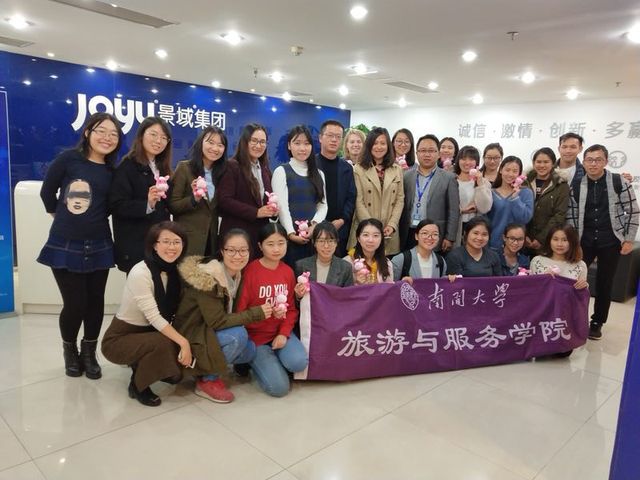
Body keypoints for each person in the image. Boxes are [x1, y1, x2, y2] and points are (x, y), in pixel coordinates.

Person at [38, 112, 123, 379]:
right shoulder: (69, 159)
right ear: (87, 132)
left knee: (96, 303)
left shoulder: (112, 171)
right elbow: (47, 191)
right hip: (65, 242)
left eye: (113, 134)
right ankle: (70, 351)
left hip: (100, 242)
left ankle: (89, 353)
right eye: (101, 131)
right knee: (75, 304)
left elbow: (111, 205)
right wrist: (60, 214)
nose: (107, 138)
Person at [175, 228, 272, 403]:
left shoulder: (238, 274)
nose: (238, 256)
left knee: (250, 350)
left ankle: (203, 370)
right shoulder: (209, 278)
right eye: (231, 250)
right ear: (222, 251)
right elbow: (217, 321)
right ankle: (207, 380)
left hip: (208, 332)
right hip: (193, 335)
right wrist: (256, 313)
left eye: (243, 250)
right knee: (238, 336)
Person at [101, 222, 193, 406]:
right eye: (166, 241)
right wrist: (183, 342)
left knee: (176, 374)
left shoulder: (176, 271)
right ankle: (138, 386)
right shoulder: (140, 272)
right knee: (166, 341)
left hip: (149, 333)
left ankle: (148, 365)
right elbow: (154, 317)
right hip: (119, 339)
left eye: (177, 242)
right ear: (154, 245)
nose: (172, 247)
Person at [566, 144, 640, 340]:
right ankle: (573, 317)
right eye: (589, 160)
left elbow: (632, 210)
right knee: (575, 280)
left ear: (606, 161)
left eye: (598, 160)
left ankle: (597, 322)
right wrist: (573, 241)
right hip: (584, 240)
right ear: (584, 162)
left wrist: (628, 239)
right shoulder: (576, 184)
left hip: (610, 240)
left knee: (605, 283)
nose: (593, 164)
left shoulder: (618, 181)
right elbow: (571, 215)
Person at [236, 223, 308, 397]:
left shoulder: (288, 272)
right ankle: (254, 361)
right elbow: (240, 312)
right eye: (270, 244)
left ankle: (276, 359)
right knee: (279, 389)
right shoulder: (250, 271)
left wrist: (283, 334)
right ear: (260, 246)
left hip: (280, 332)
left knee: (299, 363)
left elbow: (291, 310)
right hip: (256, 339)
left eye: (281, 243)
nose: (276, 249)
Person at [109, 116, 172, 273]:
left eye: (164, 137)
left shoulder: (162, 168)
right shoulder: (127, 166)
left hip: (159, 242)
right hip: (136, 244)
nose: (158, 141)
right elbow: (117, 205)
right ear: (141, 135)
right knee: (139, 286)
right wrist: (148, 204)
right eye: (153, 134)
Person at [217, 123, 277, 258]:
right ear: (245, 142)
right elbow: (224, 201)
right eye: (254, 141)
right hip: (236, 234)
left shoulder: (266, 170)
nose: (258, 145)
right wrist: (256, 212)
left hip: (259, 235)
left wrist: (273, 211)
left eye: (262, 142)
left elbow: (265, 201)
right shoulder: (232, 166)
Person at [272, 125, 327, 267]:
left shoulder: (319, 174)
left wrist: (314, 225)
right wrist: (291, 233)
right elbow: (282, 207)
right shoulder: (281, 171)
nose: (302, 148)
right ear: (289, 146)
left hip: (313, 237)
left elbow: (322, 205)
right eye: (297, 143)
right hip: (288, 239)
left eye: (306, 143)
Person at [169, 126, 228, 256]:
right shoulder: (184, 168)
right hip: (188, 240)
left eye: (220, 145)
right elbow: (173, 205)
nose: (215, 148)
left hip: (212, 242)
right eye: (210, 142)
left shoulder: (222, 173)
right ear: (201, 142)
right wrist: (194, 199)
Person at [399, 134, 459, 252]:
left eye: (431, 151)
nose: (427, 154)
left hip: (434, 235)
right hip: (409, 232)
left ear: (438, 154)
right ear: (416, 153)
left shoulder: (449, 178)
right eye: (423, 151)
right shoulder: (406, 176)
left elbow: (453, 210)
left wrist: (450, 237)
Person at [350, 127, 405, 255]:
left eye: (383, 143)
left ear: (388, 146)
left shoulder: (397, 169)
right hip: (364, 228)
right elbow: (358, 201)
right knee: (362, 265)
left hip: (388, 231)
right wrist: (372, 229)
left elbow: (400, 199)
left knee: (386, 265)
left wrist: (392, 225)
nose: (379, 147)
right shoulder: (358, 169)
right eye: (375, 143)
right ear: (369, 145)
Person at [316, 120, 356, 257]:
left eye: (338, 137)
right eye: (330, 135)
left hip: (340, 228)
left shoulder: (347, 168)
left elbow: (351, 197)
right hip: (314, 227)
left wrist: (342, 220)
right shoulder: (311, 165)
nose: (334, 140)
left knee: (338, 266)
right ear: (320, 138)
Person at [524, 147, 569, 254]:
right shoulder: (524, 182)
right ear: (533, 163)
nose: (542, 165)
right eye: (538, 162)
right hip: (524, 240)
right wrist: (523, 234)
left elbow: (559, 215)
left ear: (553, 163)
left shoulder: (561, 185)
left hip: (547, 241)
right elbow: (518, 211)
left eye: (546, 162)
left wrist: (541, 238)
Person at [487, 156, 534, 250]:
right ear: (501, 170)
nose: (510, 174)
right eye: (507, 170)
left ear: (519, 174)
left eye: (515, 171)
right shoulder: (491, 193)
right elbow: (485, 220)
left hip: (516, 247)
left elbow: (525, 218)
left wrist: (515, 198)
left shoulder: (526, 192)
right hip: (493, 244)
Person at [294, 221, 353, 289]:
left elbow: (348, 294)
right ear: (314, 243)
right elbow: (296, 293)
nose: (326, 246)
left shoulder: (345, 268)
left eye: (330, 241)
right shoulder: (301, 266)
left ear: (336, 243)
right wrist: (298, 294)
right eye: (321, 241)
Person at [453, 145, 493, 245]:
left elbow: (485, 208)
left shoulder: (483, 182)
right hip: (455, 227)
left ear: (477, 162)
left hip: (475, 229)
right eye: (463, 159)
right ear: (458, 160)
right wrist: (461, 210)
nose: (467, 162)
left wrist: (480, 184)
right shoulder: (451, 180)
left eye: (471, 159)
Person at [344, 218, 394, 284]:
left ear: (381, 238)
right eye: (365, 235)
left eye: (375, 235)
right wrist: (356, 283)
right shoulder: (347, 263)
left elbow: (390, 288)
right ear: (358, 238)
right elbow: (341, 289)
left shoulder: (387, 263)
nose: (370, 240)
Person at [555, 132, 585, 200]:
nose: (568, 151)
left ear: (580, 149)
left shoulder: (586, 173)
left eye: (573, 147)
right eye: (564, 147)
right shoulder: (548, 170)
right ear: (559, 148)